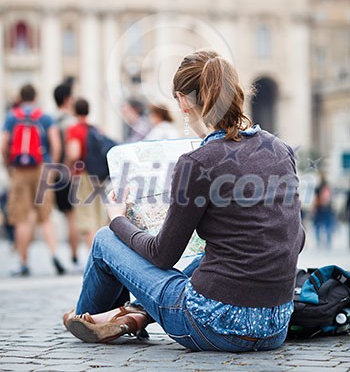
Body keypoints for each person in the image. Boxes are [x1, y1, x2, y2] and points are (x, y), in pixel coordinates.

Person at [64, 50, 305, 352]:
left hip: (214, 325)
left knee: (104, 239)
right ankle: (129, 314)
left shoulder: (198, 162)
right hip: (275, 325)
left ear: (182, 100)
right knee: (212, 258)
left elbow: (163, 255)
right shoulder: (281, 149)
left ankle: (86, 318)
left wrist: (118, 219)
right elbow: (296, 239)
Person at [1, 84, 65, 276]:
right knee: (45, 216)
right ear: (35, 97)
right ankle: (54, 254)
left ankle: (23, 262)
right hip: (42, 167)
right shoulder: (44, 117)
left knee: (22, 218)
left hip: (20, 170)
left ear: (20, 97)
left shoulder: (12, 117)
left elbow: (3, 144)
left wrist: (9, 165)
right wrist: (52, 166)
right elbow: (56, 143)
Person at [65, 98, 108, 247]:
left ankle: (92, 254)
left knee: (86, 216)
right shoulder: (95, 128)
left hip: (83, 174)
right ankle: (103, 251)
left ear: (74, 111)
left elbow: (74, 154)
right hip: (99, 175)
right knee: (99, 216)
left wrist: (69, 166)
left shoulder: (74, 130)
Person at [53, 81, 80, 268]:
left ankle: (65, 253)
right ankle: (74, 255)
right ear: (67, 99)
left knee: (64, 214)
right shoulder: (72, 122)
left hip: (54, 173)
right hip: (70, 173)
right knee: (73, 215)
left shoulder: (51, 120)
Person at [312, 174, 335, 249]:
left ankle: (319, 241)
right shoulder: (328, 187)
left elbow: (315, 199)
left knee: (318, 226)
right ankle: (328, 241)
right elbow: (331, 199)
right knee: (328, 225)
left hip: (319, 209)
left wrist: (314, 208)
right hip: (328, 209)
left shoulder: (318, 188)